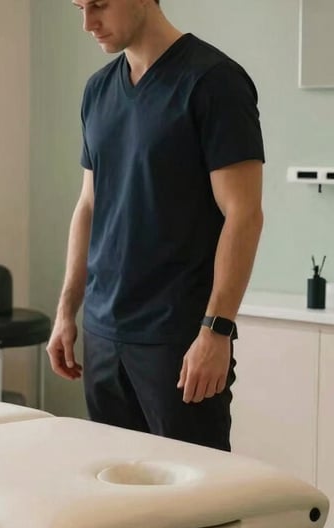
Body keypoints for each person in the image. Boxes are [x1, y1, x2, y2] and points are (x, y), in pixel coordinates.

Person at [46, 0, 264, 451]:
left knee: (196, 505)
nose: (87, 24)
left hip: (177, 340)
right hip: (104, 334)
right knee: (120, 500)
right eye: (79, 7)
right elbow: (88, 205)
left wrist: (215, 332)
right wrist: (68, 310)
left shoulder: (213, 82)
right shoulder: (97, 91)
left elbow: (243, 214)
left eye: (99, 5)